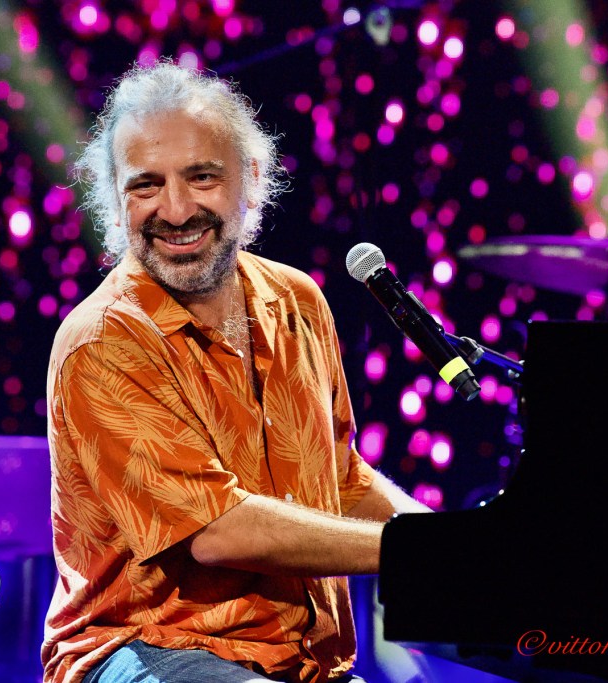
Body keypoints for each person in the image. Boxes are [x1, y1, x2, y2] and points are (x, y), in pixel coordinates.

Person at [42, 60, 428, 683]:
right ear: (115, 200)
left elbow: (341, 479)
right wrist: (418, 553)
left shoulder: (298, 301)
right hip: (143, 647)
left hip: (306, 663)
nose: (175, 210)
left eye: (201, 177)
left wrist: (450, 540)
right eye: (146, 186)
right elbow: (217, 531)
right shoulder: (103, 340)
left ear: (250, 178)